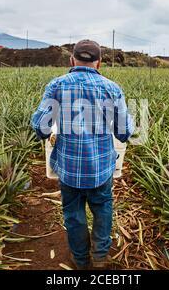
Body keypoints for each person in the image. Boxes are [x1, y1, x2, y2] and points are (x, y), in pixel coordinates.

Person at [31, 39, 134, 269]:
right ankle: (99, 257)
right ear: (99, 63)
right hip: (101, 167)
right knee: (103, 207)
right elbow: (125, 132)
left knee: (74, 214)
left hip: (69, 168)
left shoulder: (57, 86)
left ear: (72, 60)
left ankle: (80, 261)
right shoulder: (111, 88)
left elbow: (41, 127)